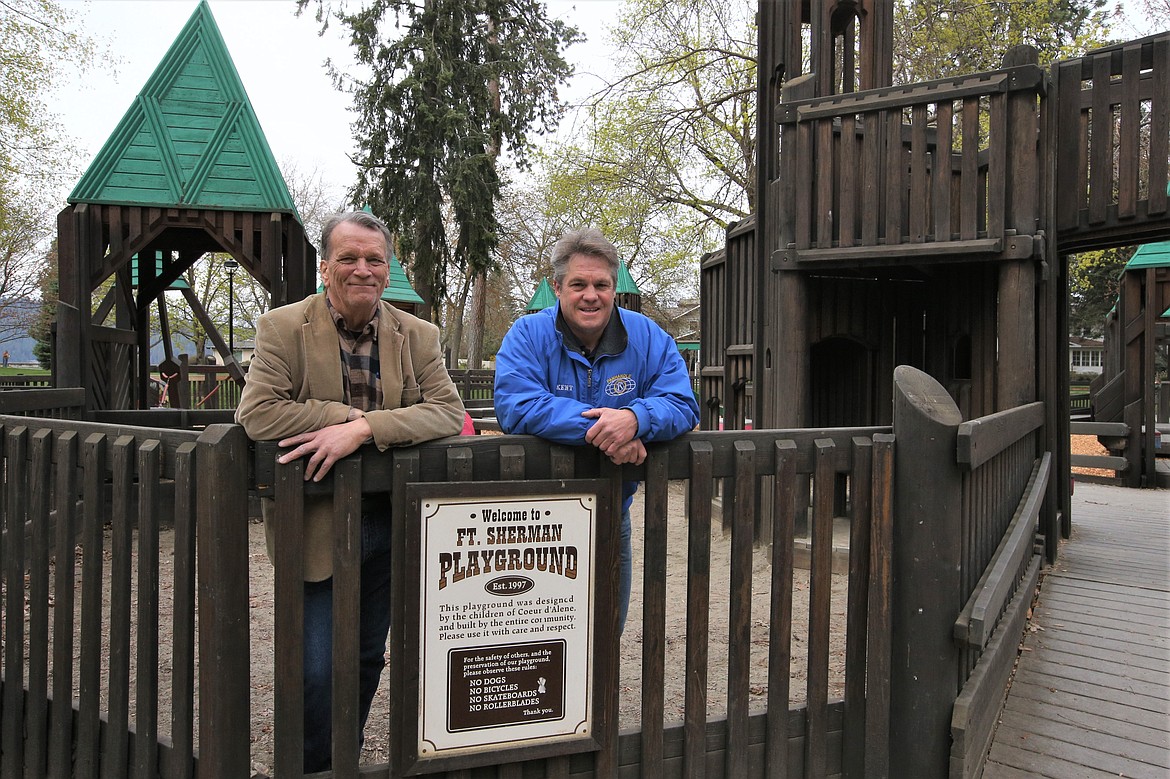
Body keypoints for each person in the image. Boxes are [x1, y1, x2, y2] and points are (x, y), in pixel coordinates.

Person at [235, 211, 465, 772]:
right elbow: (259, 412)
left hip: (392, 520)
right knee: (316, 661)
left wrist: (364, 429)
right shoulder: (283, 327)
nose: (362, 269)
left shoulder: (419, 335)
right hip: (315, 519)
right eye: (349, 258)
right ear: (325, 267)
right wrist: (344, 414)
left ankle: (344, 756)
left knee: (365, 655)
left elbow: (448, 412)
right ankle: (312, 764)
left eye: (374, 259)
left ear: (387, 269)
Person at [493, 227, 699, 631]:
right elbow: (515, 405)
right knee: (538, 641)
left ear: (613, 287)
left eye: (601, 284)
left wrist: (637, 419)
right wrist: (607, 429)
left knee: (606, 633)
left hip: (610, 514)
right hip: (535, 522)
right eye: (579, 284)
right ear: (557, 287)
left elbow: (682, 403)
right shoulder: (527, 335)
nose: (591, 295)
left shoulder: (649, 337)